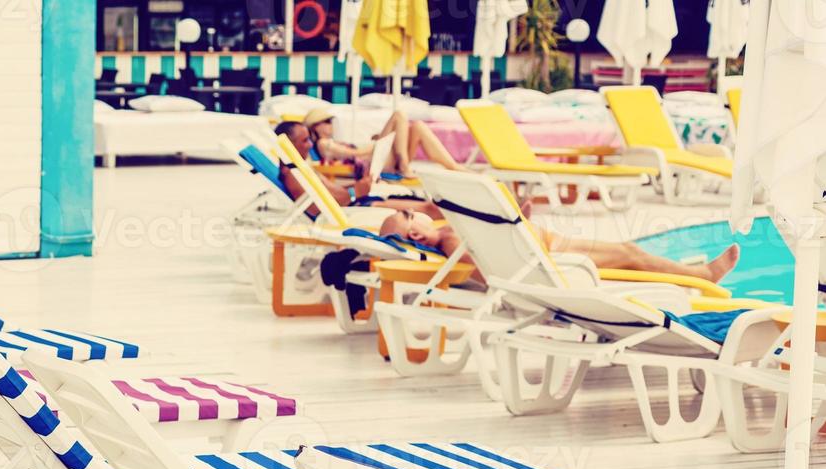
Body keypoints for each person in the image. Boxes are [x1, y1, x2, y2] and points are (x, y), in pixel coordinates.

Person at [378, 211, 742, 285]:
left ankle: (685, 275)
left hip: (547, 242)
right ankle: (702, 275)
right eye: (410, 239)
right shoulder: (451, 239)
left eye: (412, 224)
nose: (416, 235)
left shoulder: (446, 218)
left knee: (631, 252)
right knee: (631, 257)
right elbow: (491, 272)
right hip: (550, 260)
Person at [272, 121, 442, 218]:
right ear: (289, 143)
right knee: (431, 209)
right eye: (305, 141)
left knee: (427, 205)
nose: (310, 145)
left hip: (355, 202)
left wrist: (359, 184)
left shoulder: (300, 169)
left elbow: (331, 193)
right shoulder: (293, 176)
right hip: (353, 209)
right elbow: (320, 208)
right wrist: (356, 192)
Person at [303, 105, 468, 177]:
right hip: (373, 164)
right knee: (399, 115)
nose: (330, 125)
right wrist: (379, 143)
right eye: (325, 122)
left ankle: (452, 166)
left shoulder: (332, 141)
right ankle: (403, 164)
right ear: (315, 127)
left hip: (379, 160)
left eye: (330, 121)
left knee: (417, 126)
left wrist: (382, 140)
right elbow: (356, 153)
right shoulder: (322, 143)